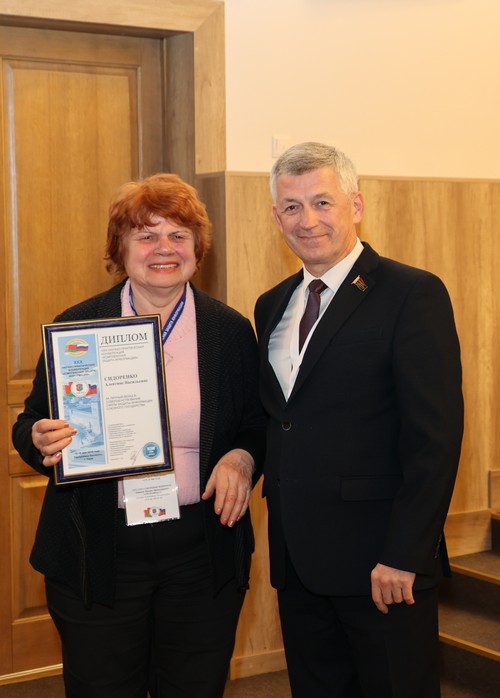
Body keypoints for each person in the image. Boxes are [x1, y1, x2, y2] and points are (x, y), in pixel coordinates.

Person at [12, 173, 267, 697]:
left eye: (178, 235)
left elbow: (256, 424)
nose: (164, 248)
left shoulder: (230, 330)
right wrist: (38, 438)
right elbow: (30, 421)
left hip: (201, 548)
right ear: (120, 248)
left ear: (197, 248)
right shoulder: (79, 324)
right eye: (146, 235)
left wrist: (242, 457)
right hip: (98, 547)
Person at [255, 142, 463, 697]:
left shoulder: (411, 293)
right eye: (292, 206)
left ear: (357, 205)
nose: (308, 220)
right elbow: (280, 420)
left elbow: (435, 440)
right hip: (298, 564)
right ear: (277, 217)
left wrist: (404, 555)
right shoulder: (272, 305)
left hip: (381, 566)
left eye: (322, 202)